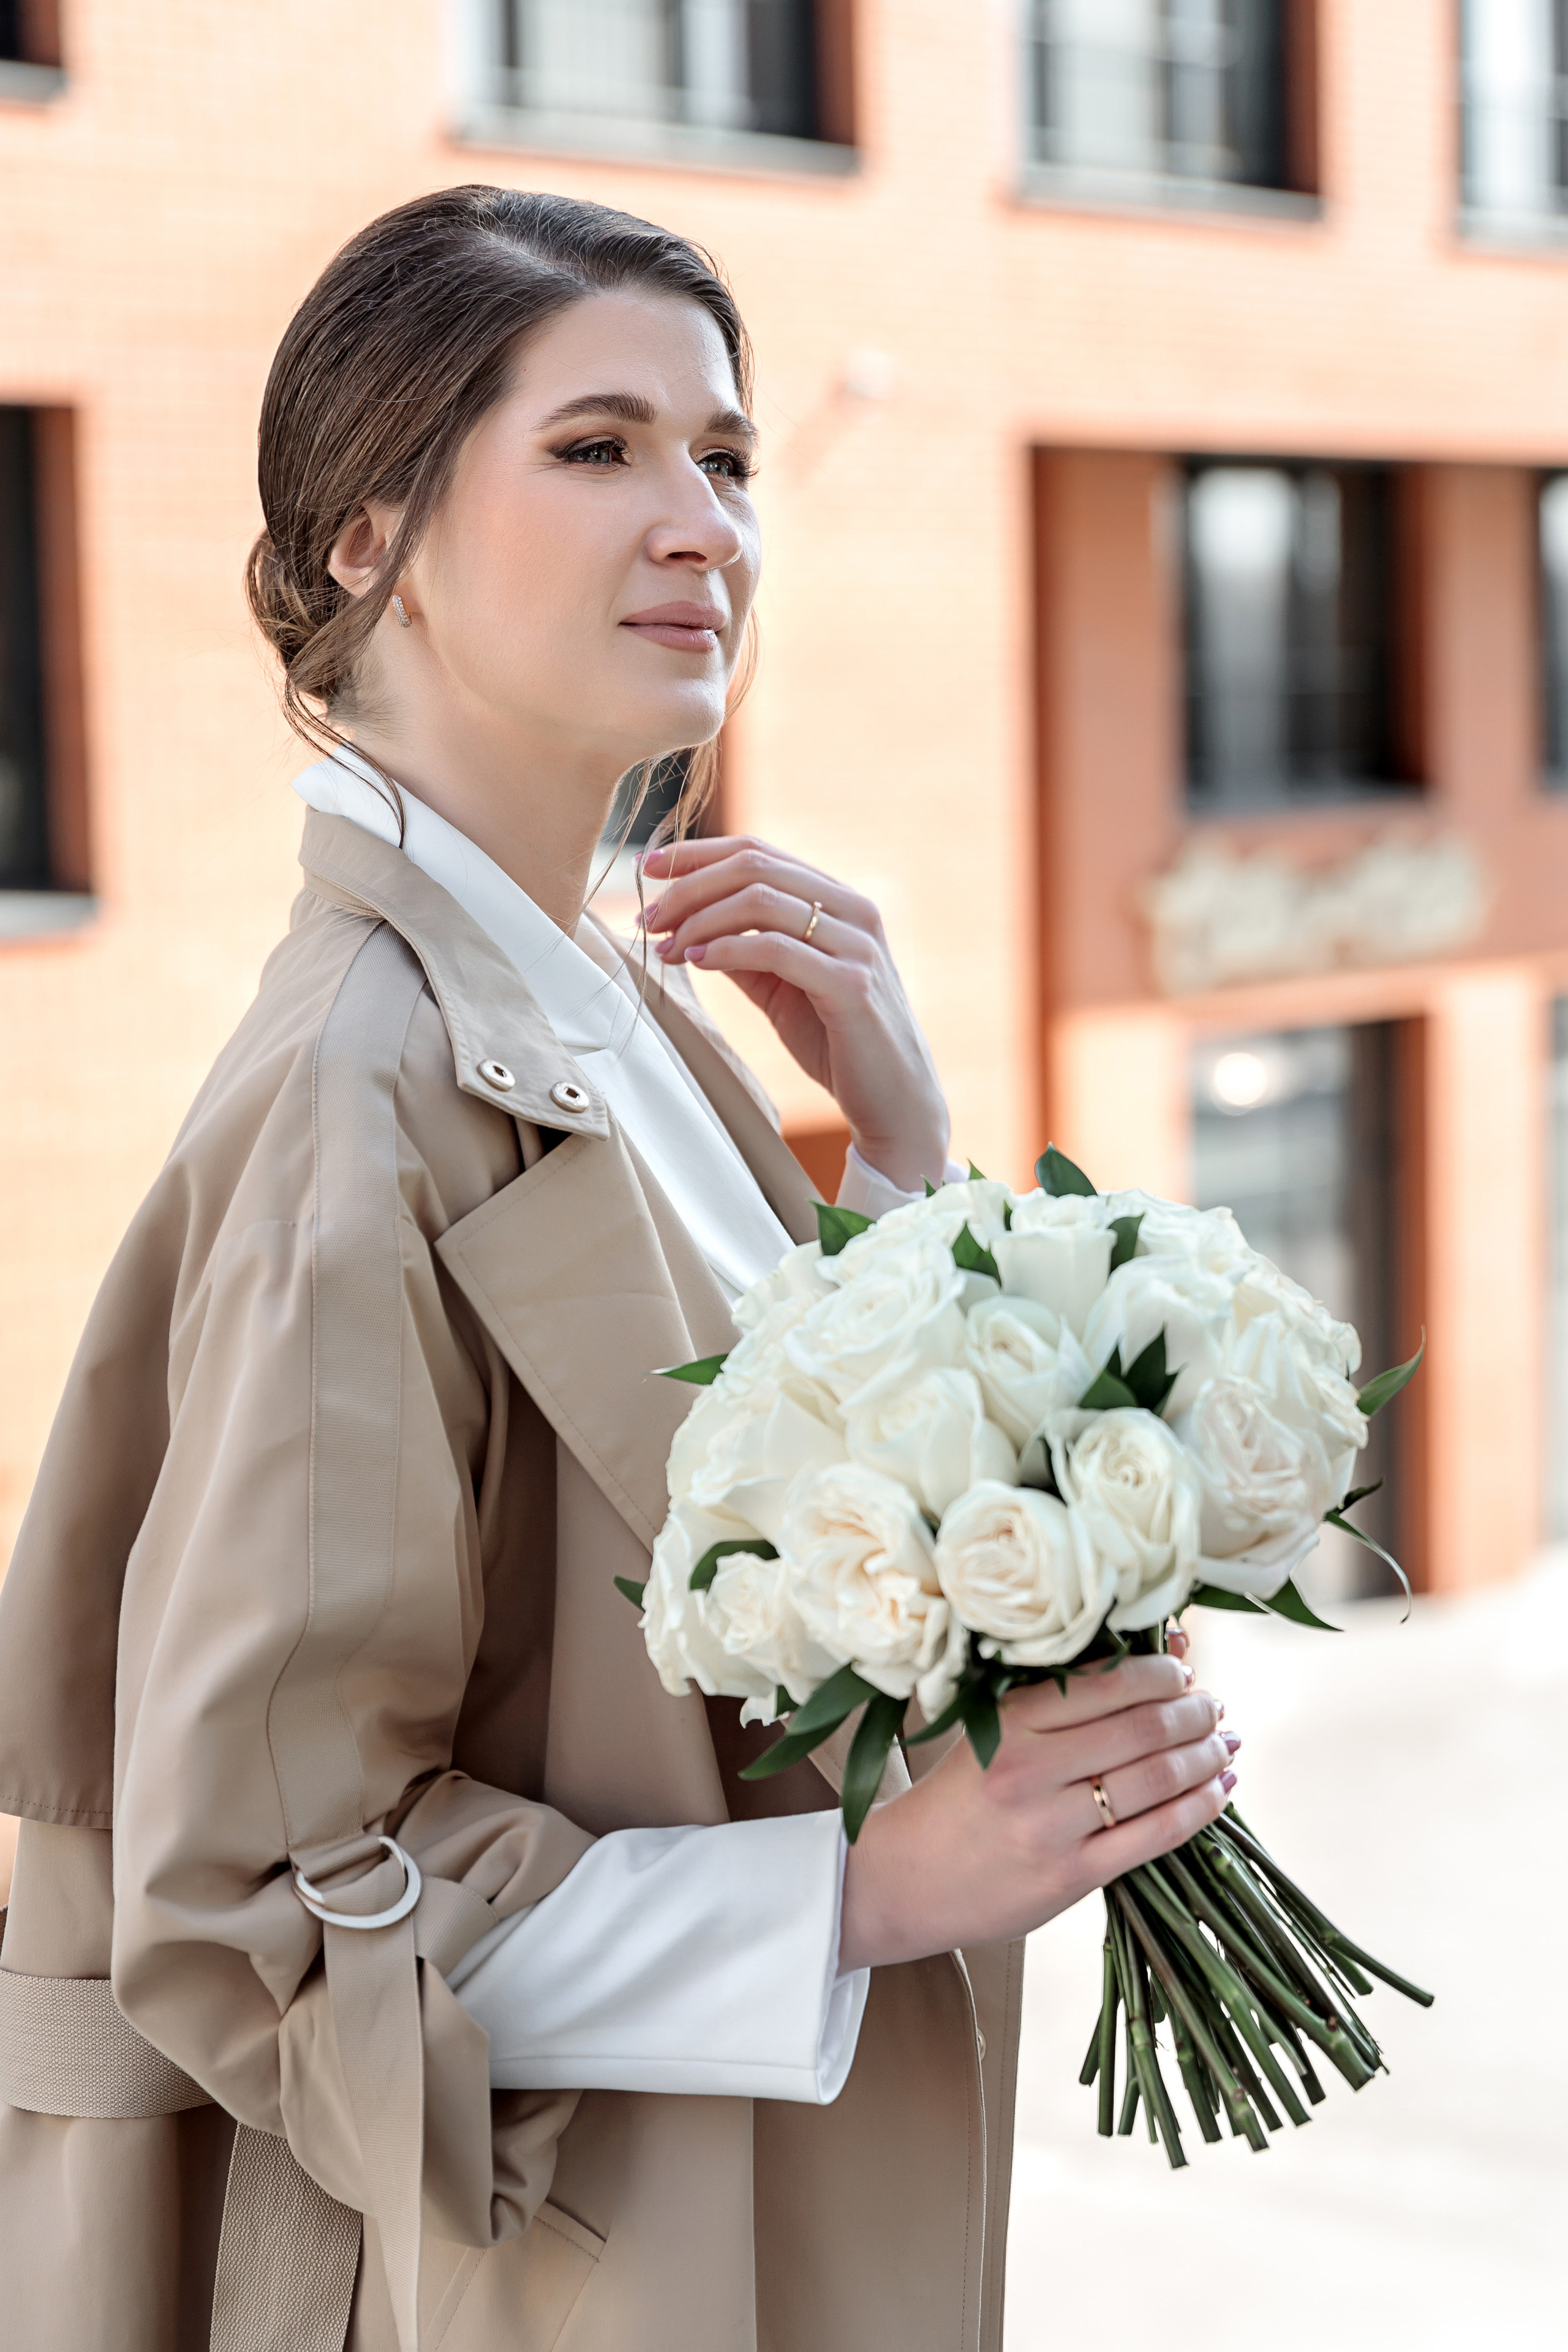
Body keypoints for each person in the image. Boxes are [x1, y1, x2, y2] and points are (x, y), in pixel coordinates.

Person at [0, 189, 1235, 2352]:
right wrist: (870, 1890)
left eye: (728, 458)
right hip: (543, 2270)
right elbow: (263, 1898)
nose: (705, 527)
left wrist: (913, 1151)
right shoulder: (361, 1090)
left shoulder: (601, 997)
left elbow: (759, 1545)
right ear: (369, 536)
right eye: (600, 449)